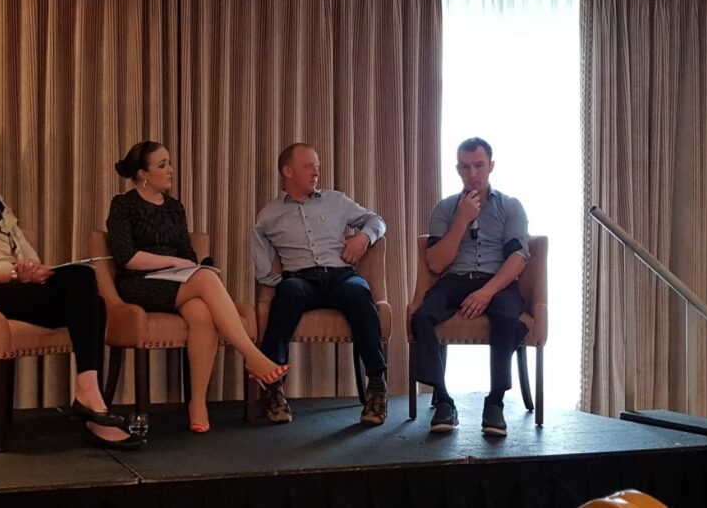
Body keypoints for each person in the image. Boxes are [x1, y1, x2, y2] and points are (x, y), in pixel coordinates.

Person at [0, 110, 141, 449]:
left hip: (14, 284)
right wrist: (9, 273)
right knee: (89, 303)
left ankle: (88, 391)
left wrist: (31, 267)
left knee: (83, 279)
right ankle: (92, 403)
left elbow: (23, 246)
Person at [106, 141, 289, 434]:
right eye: (162, 165)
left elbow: (188, 257)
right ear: (143, 174)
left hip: (176, 282)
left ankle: (198, 403)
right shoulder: (123, 205)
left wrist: (185, 265)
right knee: (205, 279)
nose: (170, 170)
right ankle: (253, 357)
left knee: (203, 313)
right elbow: (126, 257)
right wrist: (172, 262)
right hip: (138, 284)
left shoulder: (175, 208)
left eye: (169, 163)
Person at [251, 143, 388, 426]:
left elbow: (376, 220)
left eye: (317, 165)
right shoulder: (268, 215)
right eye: (309, 165)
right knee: (287, 293)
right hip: (299, 279)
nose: (316, 171)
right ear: (287, 172)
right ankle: (274, 388)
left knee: (359, 292)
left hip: (339, 274)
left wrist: (363, 238)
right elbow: (261, 255)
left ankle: (377, 384)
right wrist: (273, 280)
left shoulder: (336, 200)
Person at [410, 137, 530, 437]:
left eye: (479, 166)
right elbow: (436, 264)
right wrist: (462, 220)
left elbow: (518, 257)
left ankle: (495, 402)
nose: (473, 173)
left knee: (506, 316)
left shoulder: (511, 206)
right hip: (455, 279)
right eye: (466, 167)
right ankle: (443, 399)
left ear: (490, 166)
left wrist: (487, 291)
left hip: (498, 281)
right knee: (421, 317)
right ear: (458, 169)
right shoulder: (444, 209)